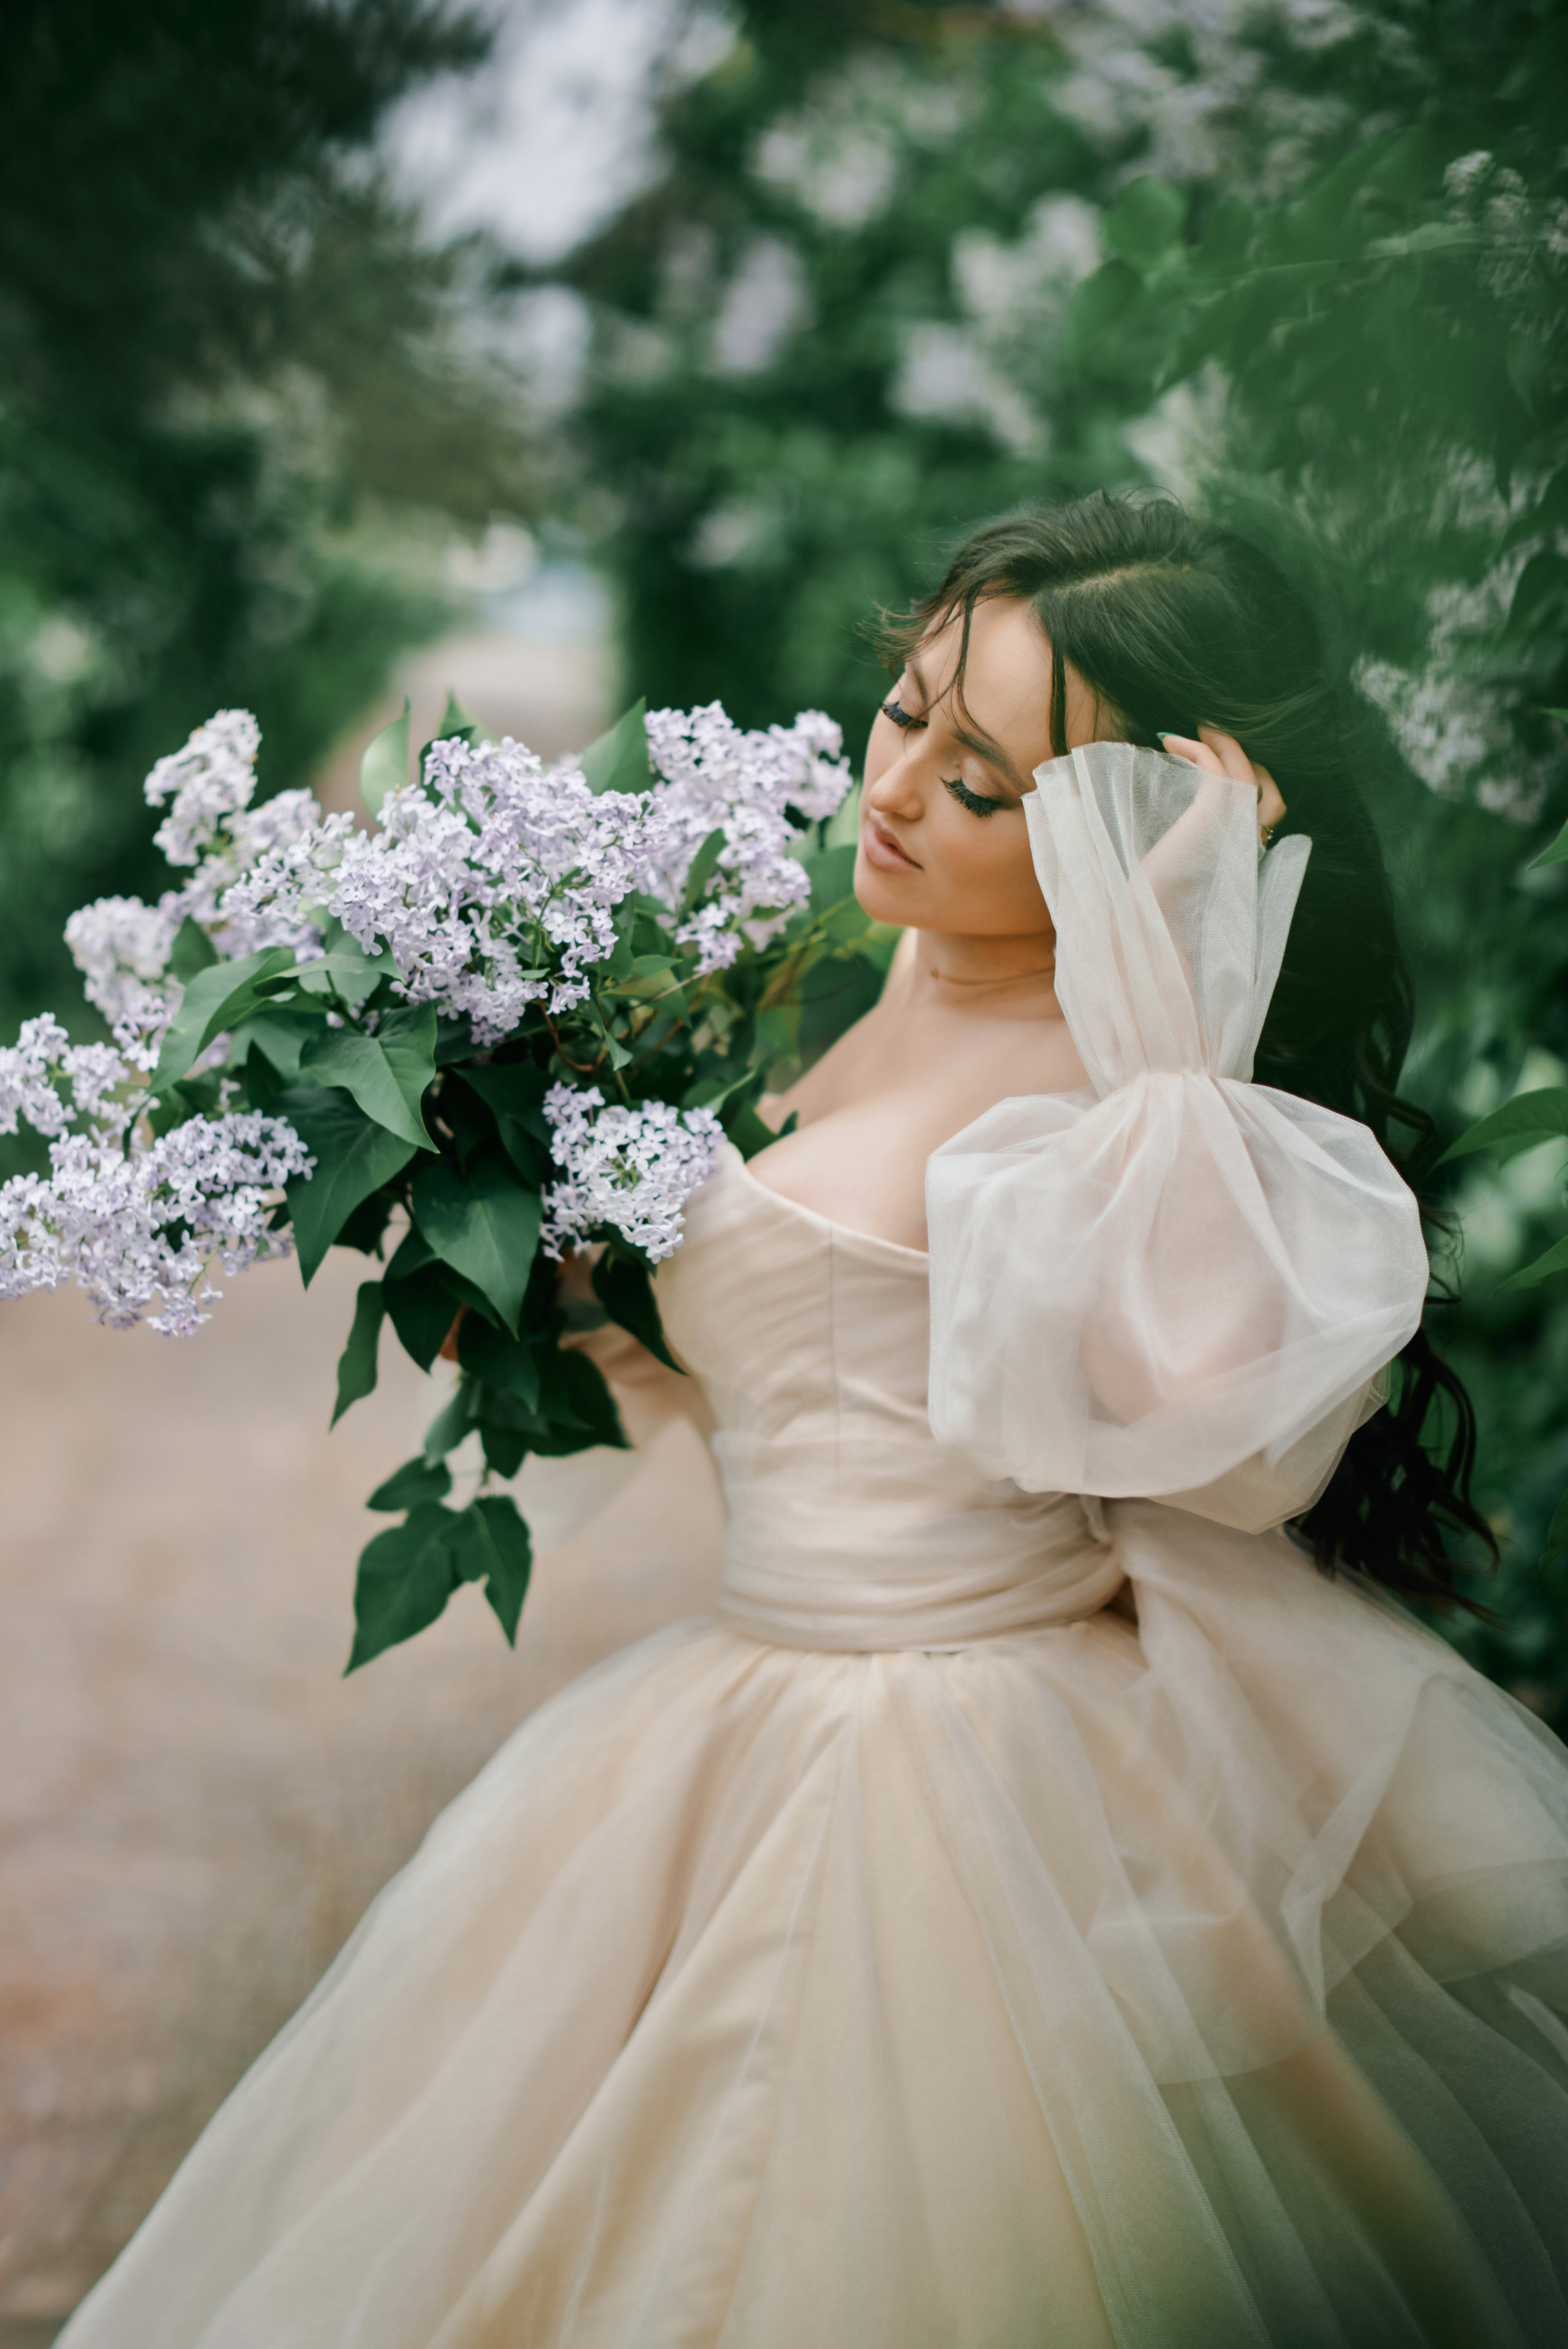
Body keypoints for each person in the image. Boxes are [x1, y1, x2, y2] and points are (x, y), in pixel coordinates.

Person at [59, 494, 1568, 2348]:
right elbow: (825, 1353)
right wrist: (513, 1254)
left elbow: (1225, 1436)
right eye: (907, 707)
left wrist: (1183, 994)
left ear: (1118, 832)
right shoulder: (901, 965)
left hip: (972, 1769)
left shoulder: (1130, 1105)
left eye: (986, 782)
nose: (901, 786)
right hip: (742, 1693)